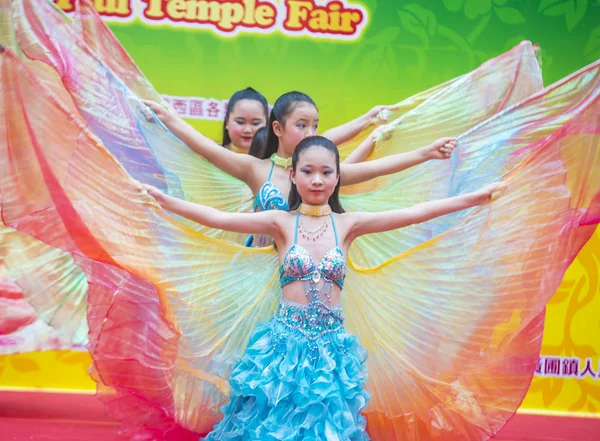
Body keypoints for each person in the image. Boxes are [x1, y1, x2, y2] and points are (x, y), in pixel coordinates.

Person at [141, 136, 499, 440]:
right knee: (268, 429)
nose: (317, 180)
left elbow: (419, 211)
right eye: (308, 172)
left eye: (326, 172)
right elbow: (218, 218)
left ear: (338, 177)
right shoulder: (279, 222)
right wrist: (163, 200)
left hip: (332, 351)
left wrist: (475, 197)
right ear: (293, 175)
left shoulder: (349, 224)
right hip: (281, 347)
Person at [146, 92, 456, 246]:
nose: (311, 132)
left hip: (304, 277)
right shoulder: (256, 169)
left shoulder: (316, 175)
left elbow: (375, 169)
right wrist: (170, 118)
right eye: (302, 125)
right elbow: (208, 149)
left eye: (316, 126)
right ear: (278, 128)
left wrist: (425, 153)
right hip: (255, 273)